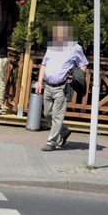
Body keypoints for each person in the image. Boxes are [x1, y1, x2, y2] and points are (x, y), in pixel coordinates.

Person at [35, 21, 89, 152]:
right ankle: (64, 131)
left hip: (62, 87)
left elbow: (83, 66)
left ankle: (51, 142)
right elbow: (44, 65)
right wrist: (40, 82)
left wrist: (75, 76)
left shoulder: (75, 48)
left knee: (57, 116)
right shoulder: (51, 46)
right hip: (48, 85)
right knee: (47, 113)